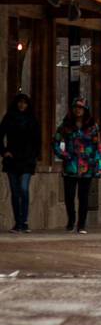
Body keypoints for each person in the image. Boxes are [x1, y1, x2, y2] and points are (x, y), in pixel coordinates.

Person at [53, 97, 101, 234]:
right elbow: (56, 142)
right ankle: (71, 220)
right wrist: (63, 155)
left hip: (87, 167)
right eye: (76, 107)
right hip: (70, 166)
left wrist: (99, 166)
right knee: (69, 196)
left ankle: (81, 225)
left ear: (85, 110)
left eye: (81, 108)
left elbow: (98, 147)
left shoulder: (92, 126)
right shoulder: (66, 125)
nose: (78, 110)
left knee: (84, 197)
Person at [0, 94, 41, 232]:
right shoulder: (9, 118)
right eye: (20, 102)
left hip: (27, 160)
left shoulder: (32, 120)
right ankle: (18, 222)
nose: (22, 105)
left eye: (24, 103)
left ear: (28, 105)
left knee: (23, 188)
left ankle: (24, 220)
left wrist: (35, 156)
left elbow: (37, 140)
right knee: (15, 191)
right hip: (12, 159)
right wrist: (4, 151)